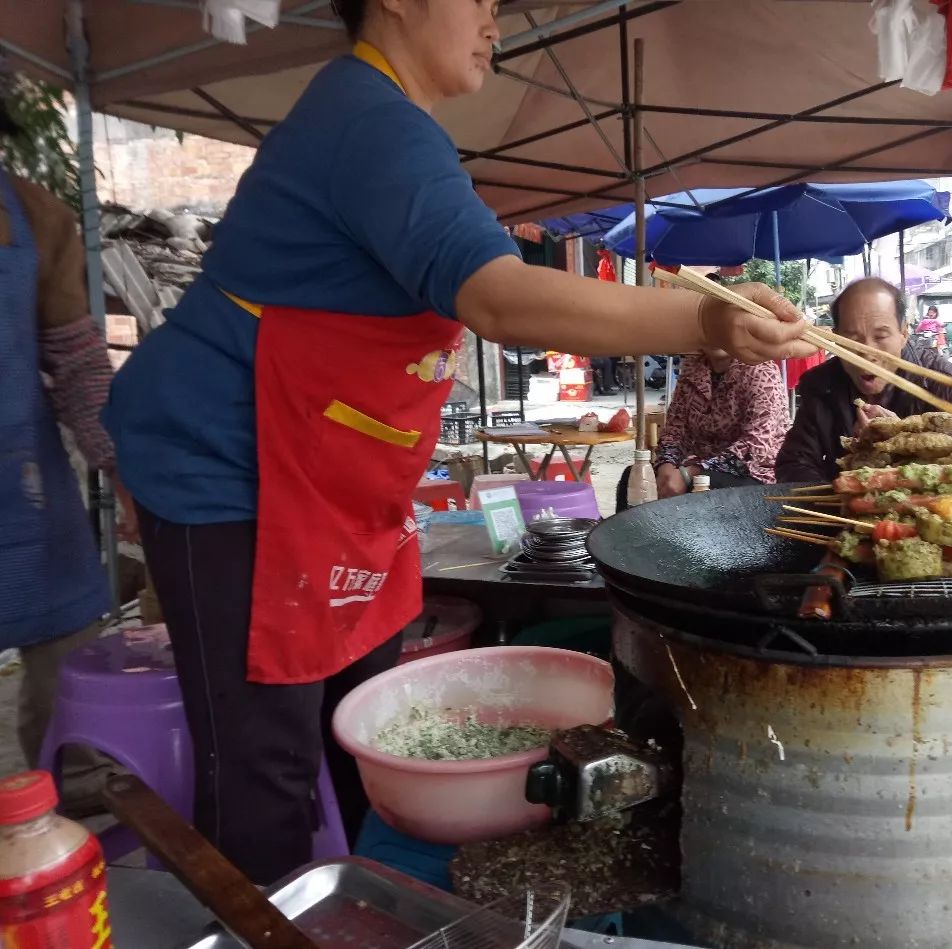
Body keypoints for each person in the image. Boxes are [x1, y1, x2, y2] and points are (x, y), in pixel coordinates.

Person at [101, 0, 812, 886]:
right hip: (232, 465)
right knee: (262, 762)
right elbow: (501, 299)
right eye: (480, 0)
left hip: (327, 473)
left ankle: (352, 903)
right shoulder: (366, 119)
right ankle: (270, 918)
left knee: (353, 726)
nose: (495, 24)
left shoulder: (395, 128)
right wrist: (707, 316)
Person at [1, 102, 136, 813]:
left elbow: (80, 370)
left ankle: (77, 851)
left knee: (72, 712)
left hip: (28, 501)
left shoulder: (36, 217)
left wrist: (127, 473)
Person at [775, 278, 952, 483]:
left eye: (880, 337)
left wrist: (900, 438)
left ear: (903, 334)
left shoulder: (951, 388)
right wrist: (846, 487)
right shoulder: (820, 385)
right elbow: (793, 464)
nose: (867, 353)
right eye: (852, 339)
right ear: (835, 339)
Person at [614, 349, 788, 511]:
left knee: (708, 490)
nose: (718, 336)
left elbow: (755, 447)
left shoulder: (761, 371)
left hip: (753, 473)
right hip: (694, 464)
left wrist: (689, 473)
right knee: (634, 479)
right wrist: (665, 468)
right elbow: (674, 430)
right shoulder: (693, 368)